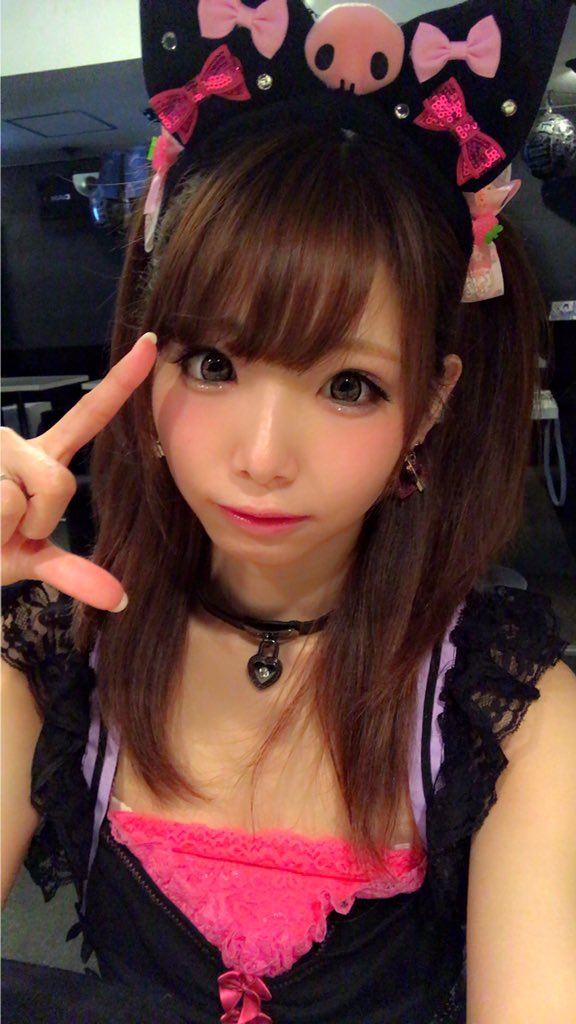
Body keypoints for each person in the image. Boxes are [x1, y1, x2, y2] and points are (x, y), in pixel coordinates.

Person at [2, 0, 576, 1021]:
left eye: (348, 385)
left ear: (427, 406)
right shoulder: (54, 654)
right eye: (213, 364)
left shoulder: (507, 713)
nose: (262, 458)